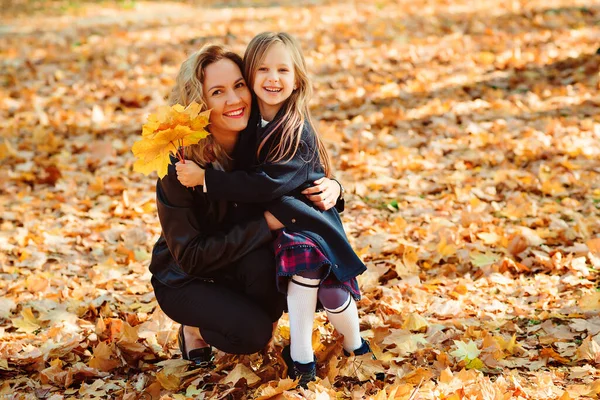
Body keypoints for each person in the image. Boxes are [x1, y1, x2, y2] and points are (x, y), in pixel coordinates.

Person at [174, 32, 375, 387]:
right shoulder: (245, 125)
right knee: (305, 280)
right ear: (252, 74)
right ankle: (299, 356)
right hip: (259, 232)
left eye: (283, 69)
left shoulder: (295, 127)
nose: (272, 78)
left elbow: (270, 182)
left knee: (325, 287)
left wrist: (208, 180)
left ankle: (349, 347)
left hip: (304, 223)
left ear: (297, 78)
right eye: (263, 69)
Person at [148, 44, 343, 366]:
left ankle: (255, 314)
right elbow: (192, 256)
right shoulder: (181, 163)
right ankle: (194, 329)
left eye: (239, 85)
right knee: (250, 335)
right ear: (199, 102)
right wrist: (266, 223)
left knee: (268, 279)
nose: (234, 100)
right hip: (188, 276)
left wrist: (334, 188)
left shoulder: (265, 136)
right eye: (218, 92)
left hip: (244, 261)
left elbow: (296, 175)